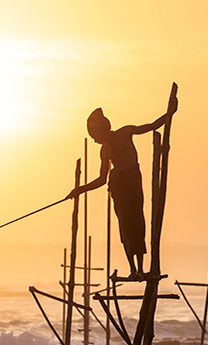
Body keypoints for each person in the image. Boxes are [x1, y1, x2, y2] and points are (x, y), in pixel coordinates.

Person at [67, 104, 176, 279]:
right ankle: (133, 269)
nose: (95, 141)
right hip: (118, 186)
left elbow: (150, 126)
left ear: (104, 130)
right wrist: (80, 189)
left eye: (96, 136)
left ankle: (141, 268)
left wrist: (169, 114)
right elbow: (102, 179)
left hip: (132, 181)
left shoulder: (125, 133)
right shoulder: (105, 151)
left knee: (137, 222)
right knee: (125, 227)